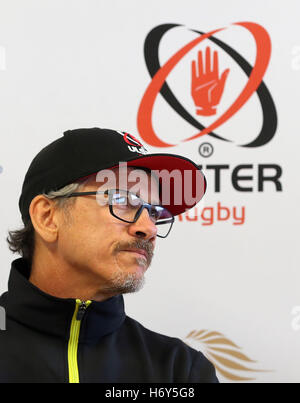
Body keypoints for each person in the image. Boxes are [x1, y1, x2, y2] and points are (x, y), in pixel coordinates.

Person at [0, 127, 218, 383]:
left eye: (154, 212)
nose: (148, 228)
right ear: (48, 217)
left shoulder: (179, 370)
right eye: (123, 200)